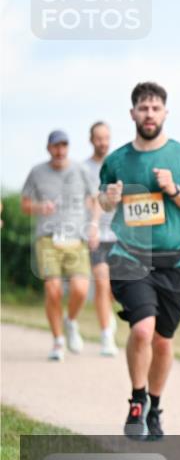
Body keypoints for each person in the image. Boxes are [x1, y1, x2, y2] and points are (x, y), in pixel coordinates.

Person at [98, 82, 180, 440]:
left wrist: (173, 189)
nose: (149, 114)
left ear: (165, 113)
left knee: (162, 340)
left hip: (175, 262)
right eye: (143, 108)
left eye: (155, 108)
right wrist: (109, 197)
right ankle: (137, 400)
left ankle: (155, 408)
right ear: (132, 113)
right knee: (142, 329)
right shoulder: (117, 160)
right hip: (129, 257)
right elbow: (102, 201)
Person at [21, 130, 98, 361]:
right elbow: (25, 205)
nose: (60, 150)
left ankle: (70, 321)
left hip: (76, 237)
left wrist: (94, 225)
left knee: (80, 289)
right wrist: (39, 207)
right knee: (53, 289)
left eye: (64, 145)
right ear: (49, 148)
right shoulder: (37, 172)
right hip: (48, 238)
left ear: (68, 147)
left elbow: (94, 200)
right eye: (56, 146)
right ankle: (57, 341)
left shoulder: (80, 170)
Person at [82, 121, 119, 357]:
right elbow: (88, 200)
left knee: (116, 289)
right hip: (96, 235)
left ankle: (108, 316)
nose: (103, 142)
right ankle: (106, 336)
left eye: (106, 138)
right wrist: (93, 225)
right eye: (99, 138)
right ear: (91, 140)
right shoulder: (83, 169)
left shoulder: (118, 165)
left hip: (118, 234)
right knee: (102, 283)